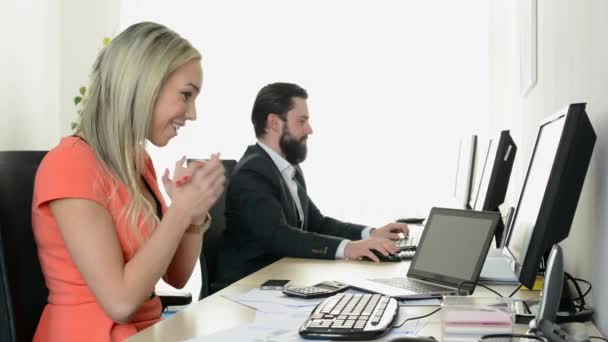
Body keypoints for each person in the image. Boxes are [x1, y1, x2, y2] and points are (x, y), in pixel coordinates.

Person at [31, 22, 225, 342]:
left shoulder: (137, 163)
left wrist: (193, 214)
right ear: (143, 84)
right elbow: (120, 303)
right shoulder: (70, 164)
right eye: (186, 95)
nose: (192, 114)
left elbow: (176, 277)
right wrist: (179, 213)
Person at [215, 82, 409, 286]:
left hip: (280, 278)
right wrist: (349, 248)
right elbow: (278, 236)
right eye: (302, 121)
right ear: (274, 122)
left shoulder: (287, 168)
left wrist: (370, 233)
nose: (309, 129)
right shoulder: (252, 172)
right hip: (246, 289)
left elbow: (318, 223)